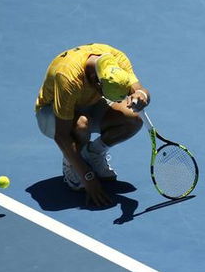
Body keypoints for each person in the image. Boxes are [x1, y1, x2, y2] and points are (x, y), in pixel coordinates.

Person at [35, 43, 150, 206]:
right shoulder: (68, 77)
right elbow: (61, 136)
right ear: (96, 82)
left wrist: (141, 95)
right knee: (81, 125)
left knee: (133, 118)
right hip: (51, 114)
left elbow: (140, 89)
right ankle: (71, 165)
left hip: (89, 102)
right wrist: (87, 176)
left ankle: (93, 153)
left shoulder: (116, 59)